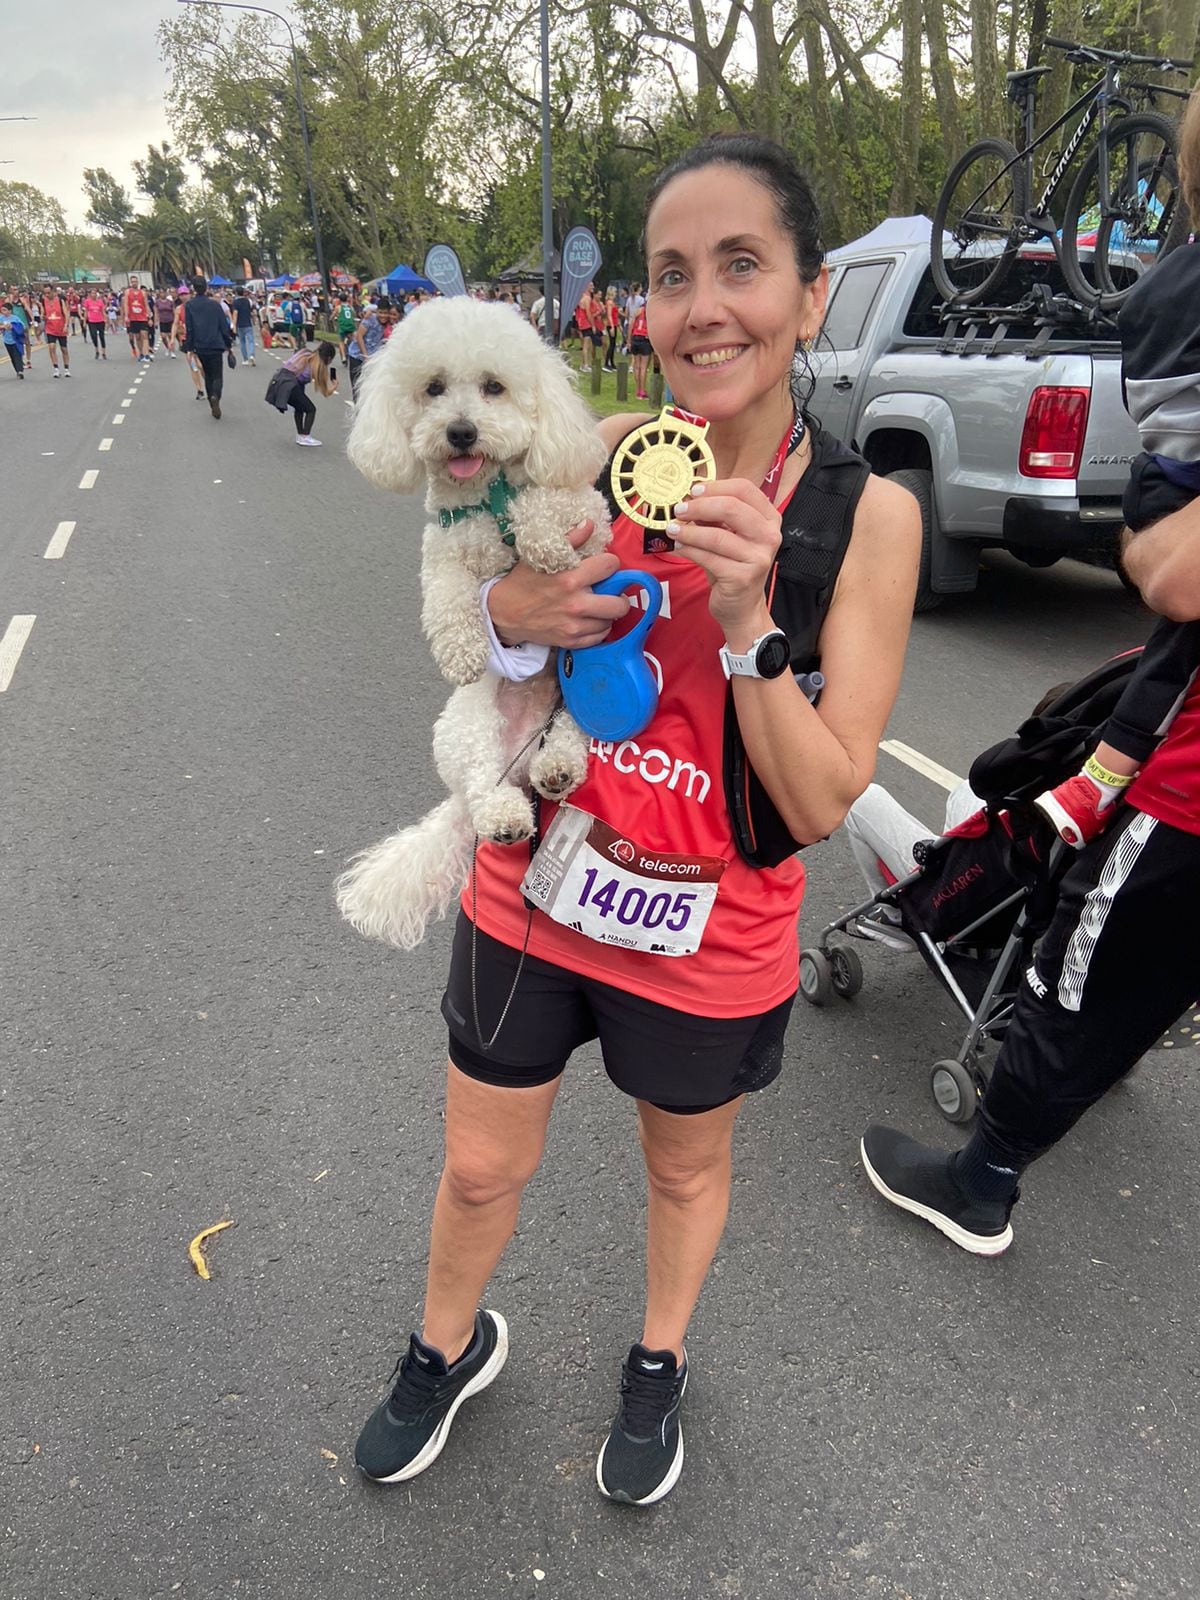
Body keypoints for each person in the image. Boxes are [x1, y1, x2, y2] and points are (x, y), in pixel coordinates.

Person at [350, 133, 919, 1504]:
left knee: (683, 1169)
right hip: (535, 883)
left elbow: (827, 793)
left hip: (711, 927)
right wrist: (502, 616)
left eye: (741, 266)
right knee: (480, 1171)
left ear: (812, 292)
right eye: (672, 276)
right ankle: (445, 1344)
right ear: (643, 307)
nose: (701, 306)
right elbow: (469, 589)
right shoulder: (598, 452)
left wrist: (744, 622)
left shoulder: (869, 514)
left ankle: (658, 1358)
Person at [862, 486, 1200, 1258]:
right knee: (1139, 979)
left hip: (1177, 811)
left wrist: (1145, 539)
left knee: (1063, 992)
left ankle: (978, 1186)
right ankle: (1109, 1052)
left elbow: (1178, 583)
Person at [1033, 90, 1200, 853]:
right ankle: (1102, 775)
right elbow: (1177, 583)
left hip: (1159, 473)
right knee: (1178, 649)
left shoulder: (1160, 288)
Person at [184, 276, 234, 419]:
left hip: (200, 345)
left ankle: (212, 401)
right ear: (206, 288)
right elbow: (223, 326)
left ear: (193, 288)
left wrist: (190, 347)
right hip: (216, 344)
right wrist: (228, 343)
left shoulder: (190, 305)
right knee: (217, 374)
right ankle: (216, 396)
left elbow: (190, 327)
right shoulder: (214, 305)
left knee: (207, 375)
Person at [275, 339, 338, 445]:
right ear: (328, 358)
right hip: (292, 385)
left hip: (281, 381)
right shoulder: (319, 366)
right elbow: (326, 392)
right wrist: (335, 385)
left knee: (299, 408)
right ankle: (305, 436)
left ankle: (300, 435)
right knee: (311, 409)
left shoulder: (305, 353)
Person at [346, 296, 391, 401]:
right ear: (377, 312)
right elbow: (359, 336)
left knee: (370, 389)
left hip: (373, 359)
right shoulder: (370, 319)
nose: (383, 316)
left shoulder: (388, 323)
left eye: (385, 313)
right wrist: (365, 355)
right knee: (357, 388)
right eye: (381, 313)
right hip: (357, 356)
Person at [173, 293, 206, 403]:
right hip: (186, 341)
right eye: (181, 295)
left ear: (190, 295)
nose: (183, 297)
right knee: (193, 366)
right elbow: (175, 324)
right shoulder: (179, 309)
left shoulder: (196, 307)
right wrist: (172, 338)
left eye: (185, 294)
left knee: (201, 365)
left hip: (199, 339)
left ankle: (208, 382)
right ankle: (199, 390)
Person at [122, 276, 153, 364]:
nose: (134, 283)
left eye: (135, 281)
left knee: (144, 334)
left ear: (138, 282)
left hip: (142, 317)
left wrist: (149, 317)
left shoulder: (142, 293)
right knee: (138, 336)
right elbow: (126, 305)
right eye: (132, 282)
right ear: (130, 283)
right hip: (133, 317)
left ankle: (146, 354)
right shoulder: (128, 292)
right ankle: (141, 354)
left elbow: (146, 305)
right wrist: (126, 316)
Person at [42, 287, 71, 377]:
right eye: (45, 293)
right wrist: (43, 316)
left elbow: (66, 313)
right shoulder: (44, 301)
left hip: (61, 327)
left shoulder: (60, 300)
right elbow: (43, 313)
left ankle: (66, 369)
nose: (47, 295)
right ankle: (56, 368)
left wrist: (66, 325)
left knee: (64, 349)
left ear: (53, 292)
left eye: (49, 293)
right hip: (50, 328)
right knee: (52, 347)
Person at [628, 298, 652, 399]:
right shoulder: (651, 313)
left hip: (635, 338)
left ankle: (638, 390)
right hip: (645, 339)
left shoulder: (639, 310)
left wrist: (629, 340)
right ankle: (642, 390)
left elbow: (631, 325)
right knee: (643, 367)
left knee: (636, 366)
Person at [1, 300, 28, 379]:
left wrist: (13, 326)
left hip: (16, 341)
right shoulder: (1, 318)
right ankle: (17, 370)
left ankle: (20, 371)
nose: (3, 311)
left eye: (5, 310)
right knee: (12, 357)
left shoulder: (15, 318)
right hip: (7, 341)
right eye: (2, 310)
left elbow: (22, 326)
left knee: (17, 356)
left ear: (10, 311)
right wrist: (3, 327)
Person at [230, 287, 256, 365]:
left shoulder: (235, 302)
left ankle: (245, 359)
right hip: (248, 323)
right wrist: (254, 320)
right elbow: (252, 311)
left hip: (240, 324)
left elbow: (235, 314)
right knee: (251, 340)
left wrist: (234, 325)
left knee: (242, 342)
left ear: (236, 293)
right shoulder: (248, 301)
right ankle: (251, 354)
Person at [83, 289, 108, 359]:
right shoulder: (87, 301)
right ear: (90, 294)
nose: (93, 295)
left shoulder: (100, 302)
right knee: (94, 335)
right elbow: (86, 312)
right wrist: (84, 321)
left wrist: (105, 318)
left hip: (100, 321)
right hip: (92, 321)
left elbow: (102, 311)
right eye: (92, 293)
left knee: (101, 336)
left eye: (95, 293)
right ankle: (96, 350)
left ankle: (103, 352)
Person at [156, 290, 177, 357]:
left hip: (170, 320)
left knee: (170, 336)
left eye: (163, 293)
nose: (162, 294)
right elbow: (156, 312)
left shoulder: (170, 302)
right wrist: (155, 321)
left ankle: (172, 352)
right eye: (161, 293)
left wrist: (176, 319)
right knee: (163, 336)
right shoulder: (157, 302)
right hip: (162, 321)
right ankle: (168, 347)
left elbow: (174, 310)